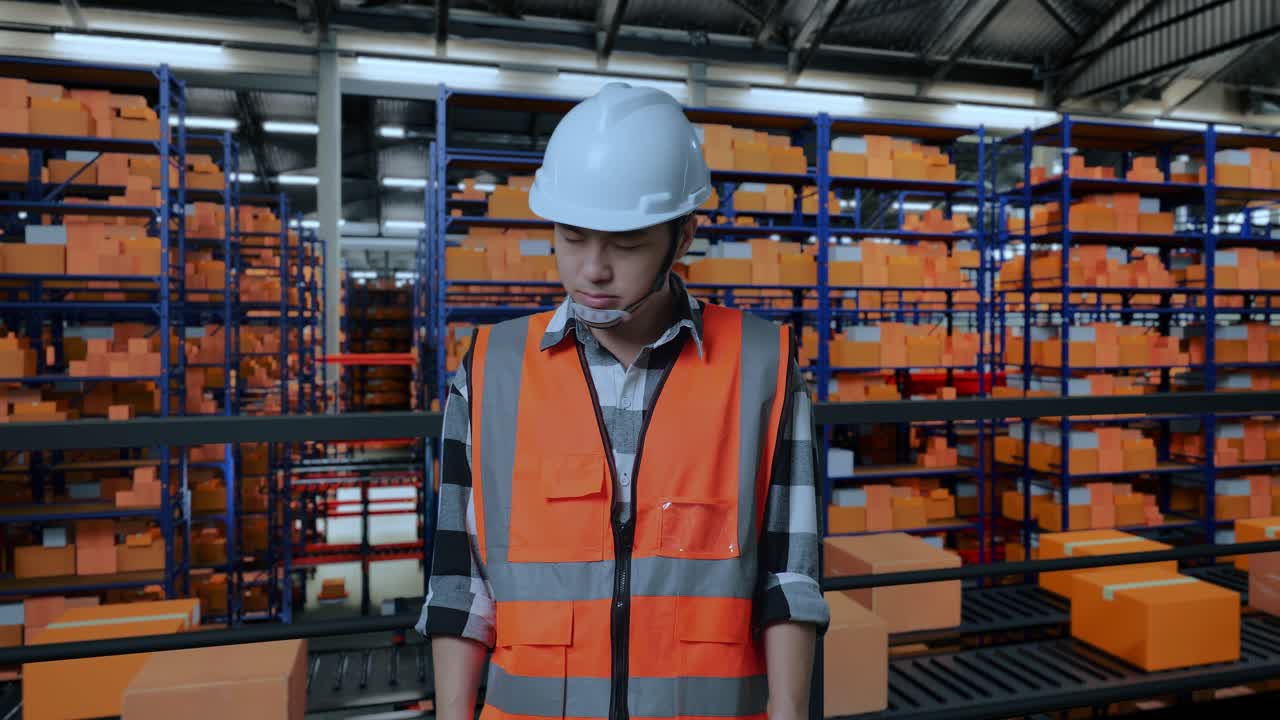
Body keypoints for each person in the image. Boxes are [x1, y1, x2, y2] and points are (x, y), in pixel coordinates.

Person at [417, 82, 829, 720]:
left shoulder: (762, 367)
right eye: (572, 238)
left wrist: (791, 712)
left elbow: (790, 578)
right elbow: (459, 583)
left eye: (627, 244)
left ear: (683, 237)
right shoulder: (491, 371)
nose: (592, 270)